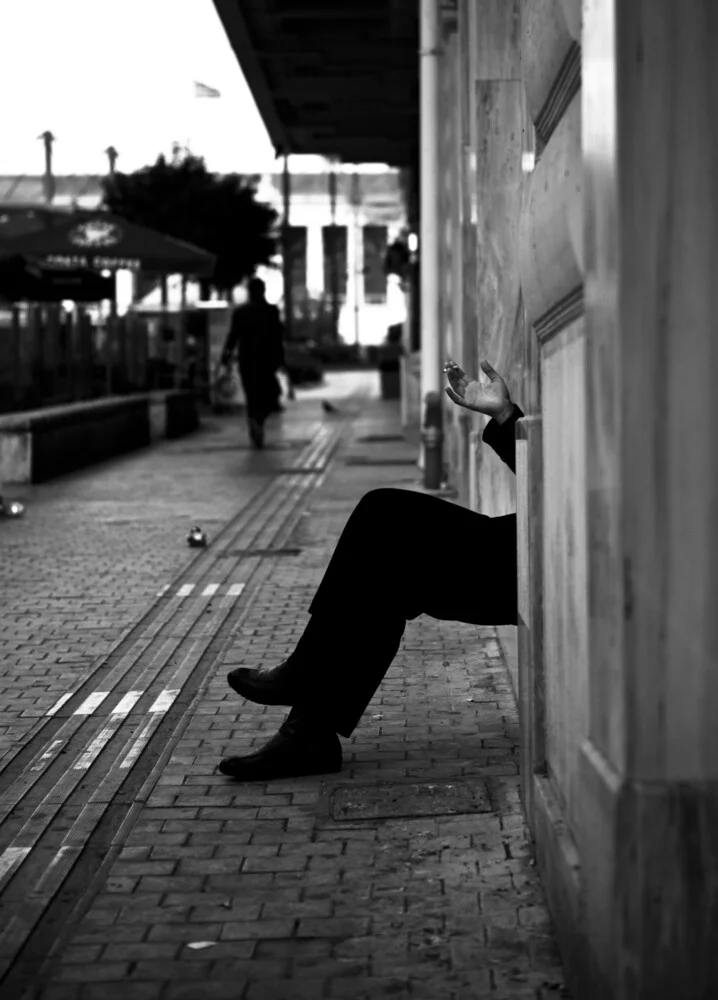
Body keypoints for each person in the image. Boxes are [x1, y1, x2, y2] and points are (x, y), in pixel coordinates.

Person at [219, 359, 523, 781]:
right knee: (380, 527)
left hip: (536, 558)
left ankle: (306, 706)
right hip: (529, 541)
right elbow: (559, 478)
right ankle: (307, 728)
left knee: (383, 547)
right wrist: (506, 416)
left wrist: (506, 417)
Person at [220, 277, 285, 448]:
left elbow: (233, 336)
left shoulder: (241, 312)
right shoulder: (272, 311)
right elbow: (277, 337)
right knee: (269, 394)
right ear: (263, 291)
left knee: (252, 393)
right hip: (266, 360)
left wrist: (226, 355)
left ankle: (254, 419)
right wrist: (281, 360)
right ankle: (258, 420)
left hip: (247, 360)